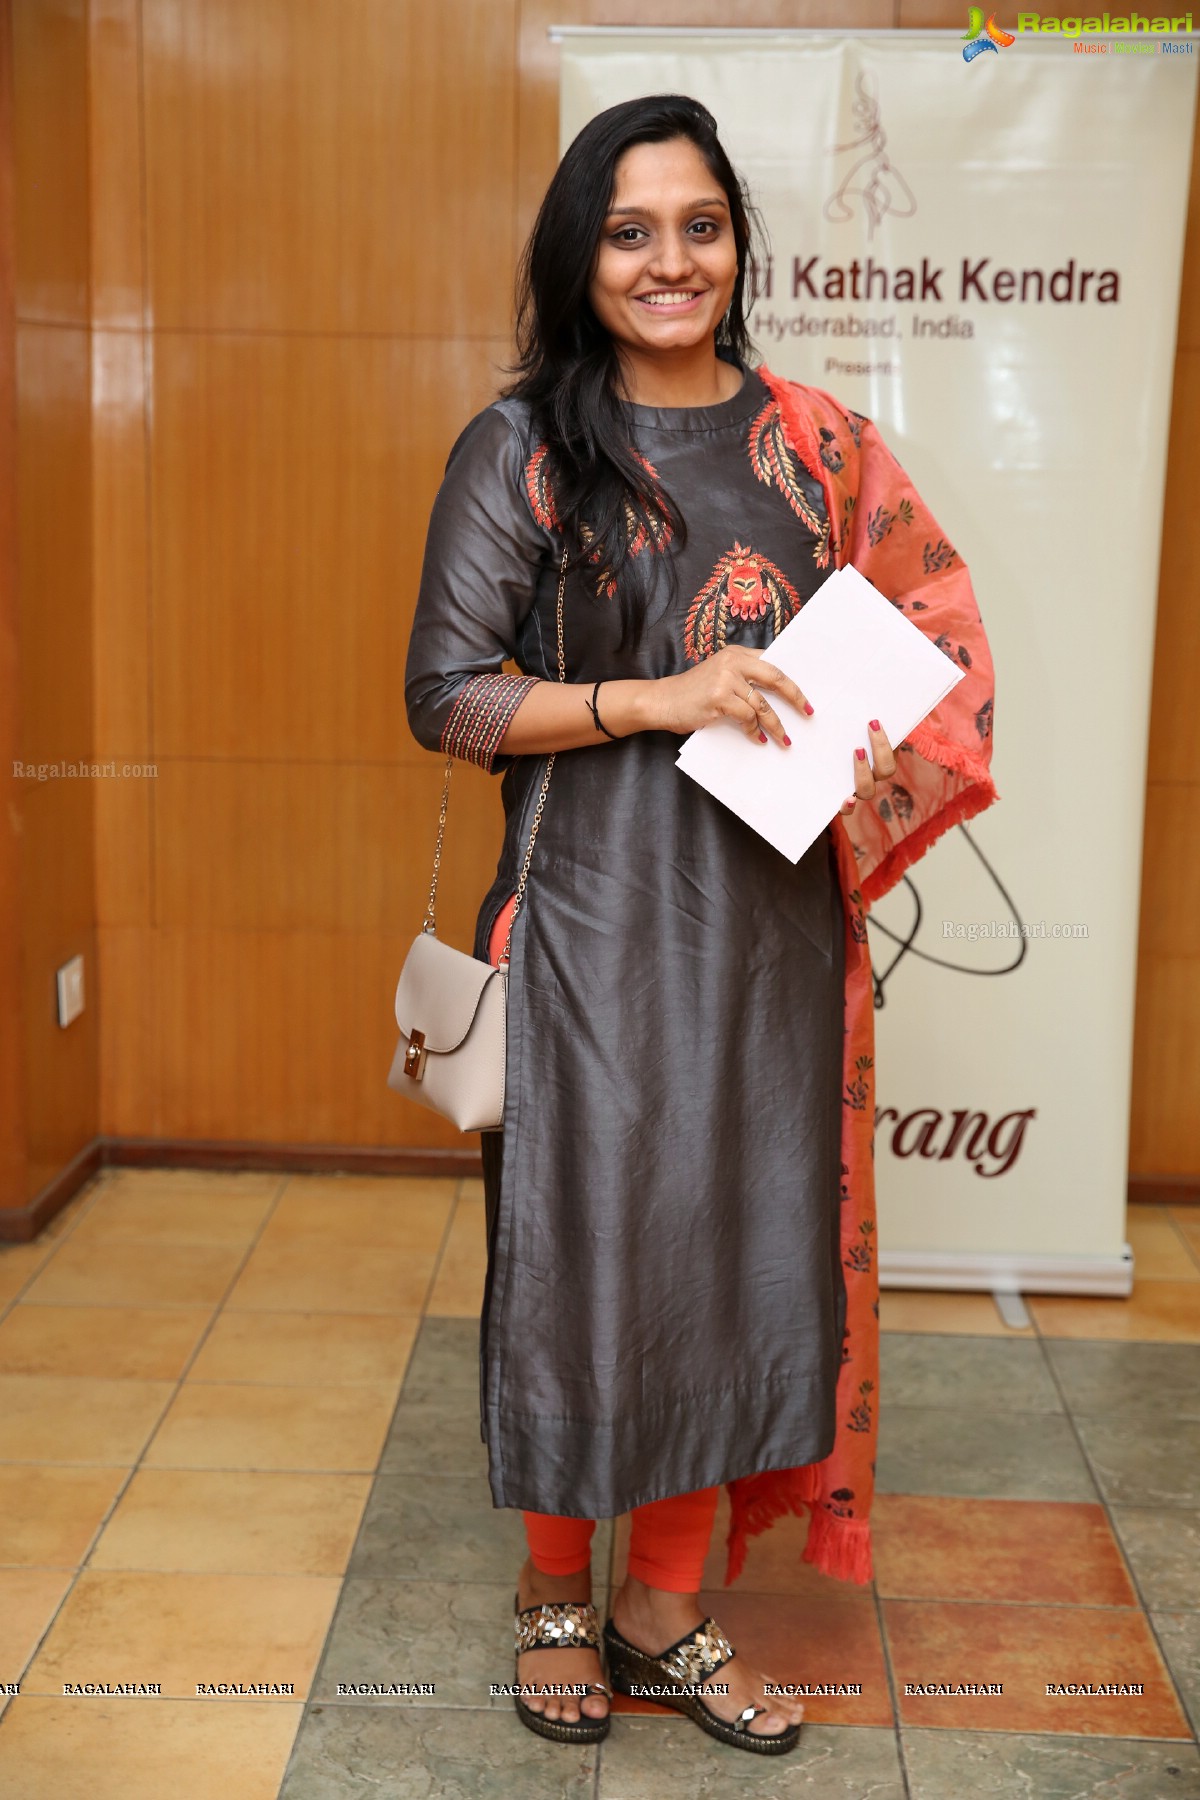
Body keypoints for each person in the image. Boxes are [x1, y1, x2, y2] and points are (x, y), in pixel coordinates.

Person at [405, 94, 997, 1754]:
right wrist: (660, 698)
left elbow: (928, 646)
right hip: (586, 933)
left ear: (740, 239)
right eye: (629, 230)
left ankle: (665, 1611)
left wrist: (883, 746)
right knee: (581, 1274)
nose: (672, 261)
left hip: (770, 936)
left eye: (701, 224)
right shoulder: (522, 444)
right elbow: (444, 700)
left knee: (738, 1267)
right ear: (580, 255)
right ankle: (553, 1603)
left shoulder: (816, 445)